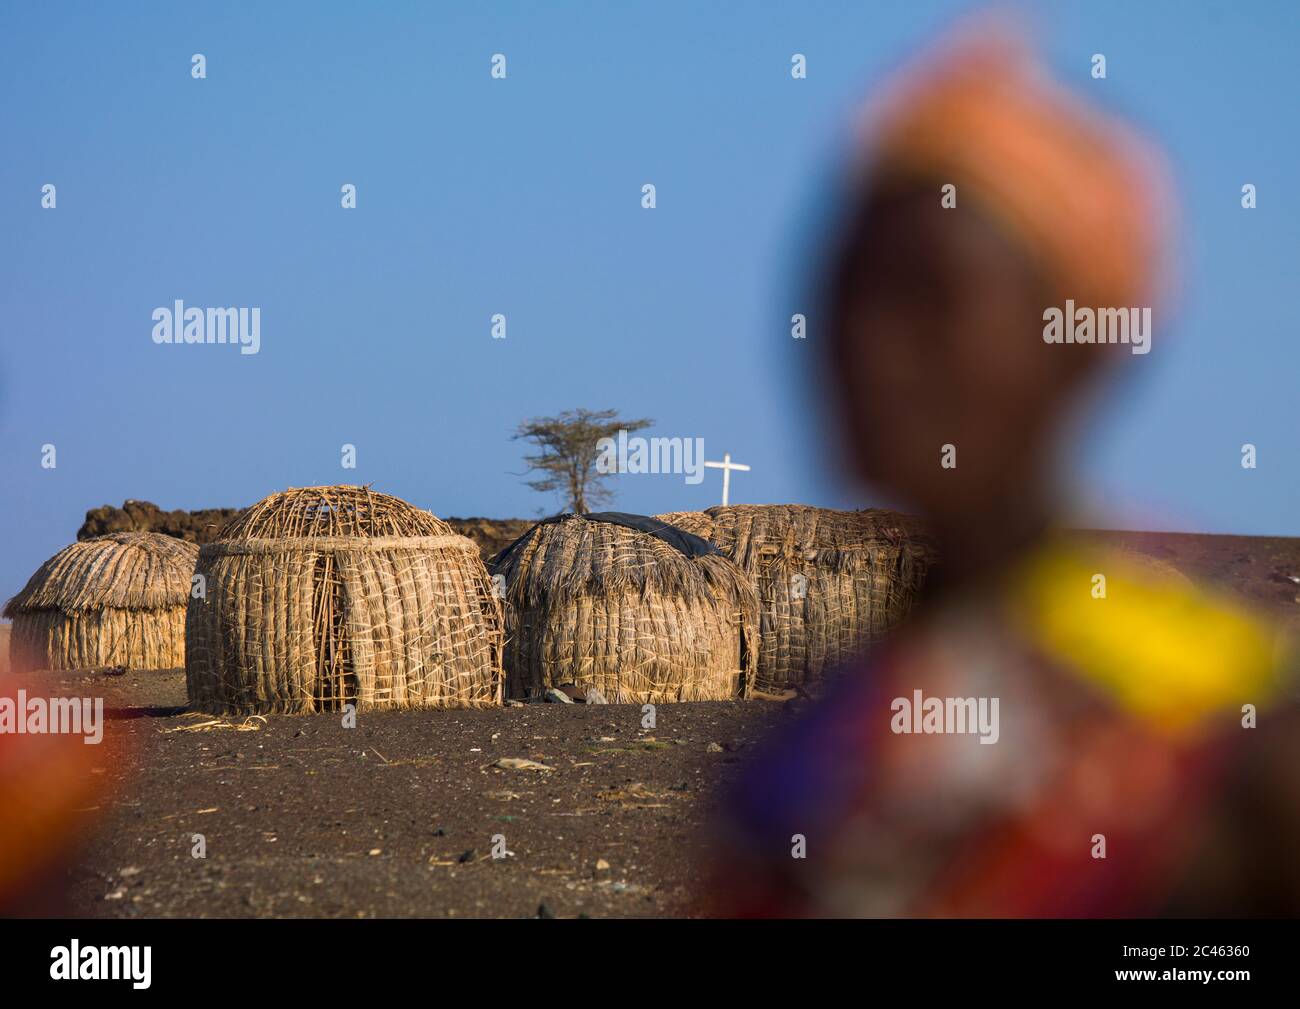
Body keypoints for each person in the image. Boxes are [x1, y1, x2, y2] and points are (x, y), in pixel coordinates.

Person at [707, 23, 1300, 917]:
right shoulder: (793, 766)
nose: (870, 347)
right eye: (845, 291)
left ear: (1078, 344)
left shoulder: (1217, 730)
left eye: (928, 298)